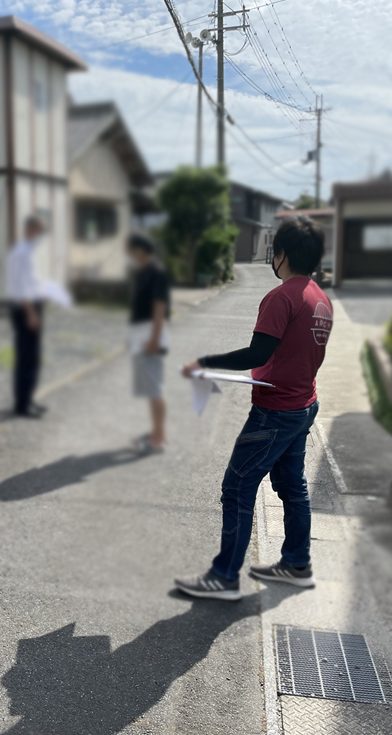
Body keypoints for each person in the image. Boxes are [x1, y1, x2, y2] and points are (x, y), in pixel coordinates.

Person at [174, 216, 331, 601]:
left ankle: (225, 576)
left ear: (281, 255)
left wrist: (204, 361)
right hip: (303, 405)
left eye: (272, 251)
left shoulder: (282, 297)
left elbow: (256, 353)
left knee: (239, 486)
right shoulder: (320, 298)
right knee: (292, 486)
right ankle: (296, 563)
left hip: (275, 410)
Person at [126, 233, 170, 454]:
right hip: (140, 333)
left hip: (150, 334)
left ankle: (158, 438)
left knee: (154, 387)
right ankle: (156, 431)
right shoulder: (142, 273)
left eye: (132, 250)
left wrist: (154, 340)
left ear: (141, 250)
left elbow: (159, 307)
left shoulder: (155, 274)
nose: (130, 255)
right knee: (149, 386)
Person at [6, 215, 48, 418]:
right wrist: (31, 314)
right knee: (26, 356)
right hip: (25, 309)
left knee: (33, 356)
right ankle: (22, 405)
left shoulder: (29, 251)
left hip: (32, 306)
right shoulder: (21, 253)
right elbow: (21, 287)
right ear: (30, 229)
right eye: (39, 231)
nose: (41, 235)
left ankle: (29, 398)